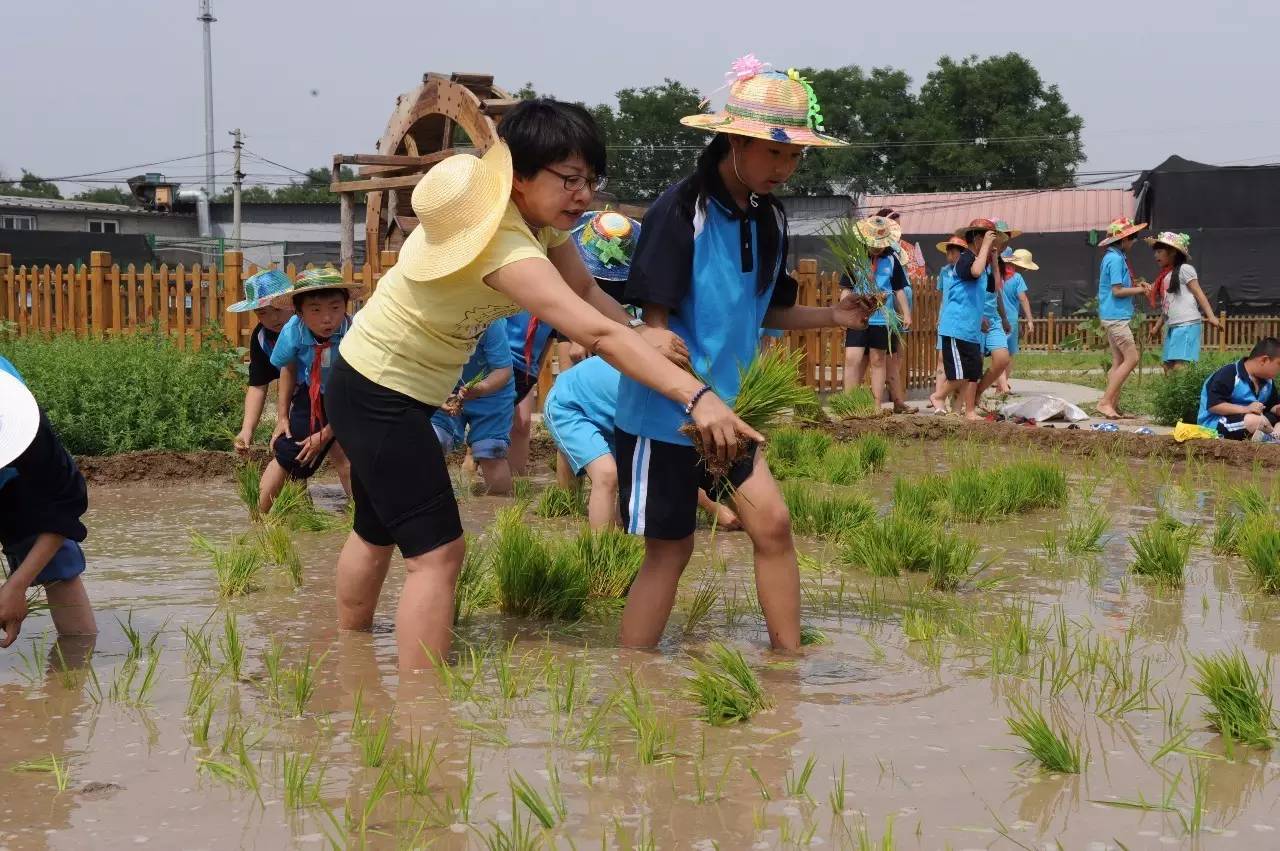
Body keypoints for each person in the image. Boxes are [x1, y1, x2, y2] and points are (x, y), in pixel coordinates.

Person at [326, 97, 758, 673]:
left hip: (382, 382)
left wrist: (638, 330)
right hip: (378, 389)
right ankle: (420, 712)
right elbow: (592, 334)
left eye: (591, 179)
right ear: (520, 178)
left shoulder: (540, 225)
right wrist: (697, 397)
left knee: (378, 526)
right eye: (570, 180)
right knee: (439, 553)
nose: (584, 194)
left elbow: (585, 294)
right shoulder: (502, 245)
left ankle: (347, 658)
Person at [615, 60, 870, 651]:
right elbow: (652, 320)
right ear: (734, 140)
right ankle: (634, 677)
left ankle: (788, 666)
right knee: (670, 551)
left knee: (774, 525)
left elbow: (766, 311)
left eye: (795, 156)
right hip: (668, 415)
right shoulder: (681, 210)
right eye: (774, 153)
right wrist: (659, 341)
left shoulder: (770, 217)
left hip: (734, 411)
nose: (786, 167)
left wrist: (835, 316)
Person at [546, 356, 741, 531]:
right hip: (568, 403)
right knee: (607, 475)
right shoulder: (668, 401)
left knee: (625, 512)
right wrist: (714, 508)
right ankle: (601, 563)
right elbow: (666, 469)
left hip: (607, 409)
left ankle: (575, 507)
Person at [0, 358, 97, 648]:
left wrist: (16, 586)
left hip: (16, 480)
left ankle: (78, 662)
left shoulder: (25, 426)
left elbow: (64, 502)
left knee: (58, 562)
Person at [257, 268, 358, 515]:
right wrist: (282, 417)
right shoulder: (293, 330)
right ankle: (258, 519)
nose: (327, 319)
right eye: (315, 310)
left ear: (345, 306)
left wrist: (325, 435)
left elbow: (359, 389)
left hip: (352, 397)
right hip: (311, 396)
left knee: (349, 457)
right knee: (287, 452)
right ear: (299, 313)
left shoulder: (356, 333)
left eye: (335, 308)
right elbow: (289, 370)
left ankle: (361, 519)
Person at [431, 318, 516, 495]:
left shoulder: (490, 320)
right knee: (430, 442)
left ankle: (501, 512)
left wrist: (482, 388)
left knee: (491, 451)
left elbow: (503, 370)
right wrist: (436, 395)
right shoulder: (427, 318)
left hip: (492, 389)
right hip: (442, 387)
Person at [227, 269, 295, 454]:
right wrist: (247, 430)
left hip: (333, 395)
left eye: (278, 308)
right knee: (289, 449)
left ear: (293, 302)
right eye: (263, 313)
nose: (273, 318)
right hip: (299, 402)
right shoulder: (262, 338)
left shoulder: (309, 327)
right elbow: (258, 385)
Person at [928, 225, 993, 420]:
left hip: (971, 327)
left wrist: (980, 318)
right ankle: (938, 396)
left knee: (973, 372)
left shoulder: (981, 263)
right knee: (959, 373)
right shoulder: (966, 259)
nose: (989, 244)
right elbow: (974, 271)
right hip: (956, 327)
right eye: (986, 239)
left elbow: (979, 292)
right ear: (977, 239)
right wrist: (986, 246)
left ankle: (970, 411)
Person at [851, 214, 912, 411]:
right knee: (855, 359)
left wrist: (906, 313)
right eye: (873, 242)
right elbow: (845, 287)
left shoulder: (892, 259)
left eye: (880, 243)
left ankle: (877, 404)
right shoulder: (854, 257)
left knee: (878, 359)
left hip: (882, 318)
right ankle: (849, 403)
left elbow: (899, 288)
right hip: (858, 316)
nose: (876, 247)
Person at [1095, 217, 1152, 419]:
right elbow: (1117, 291)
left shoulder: (1114, 257)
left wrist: (1138, 285)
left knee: (1119, 360)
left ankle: (1112, 405)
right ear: (1124, 239)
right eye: (1132, 237)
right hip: (1116, 317)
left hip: (1113, 316)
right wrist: (1140, 290)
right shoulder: (1116, 259)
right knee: (1132, 358)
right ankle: (1104, 402)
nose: (1134, 241)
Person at [1146, 232, 1221, 373]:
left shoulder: (1185, 269)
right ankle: (1170, 395)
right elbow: (1167, 306)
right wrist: (1157, 327)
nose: (1156, 255)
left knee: (1181, 367)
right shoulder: (1166, 275)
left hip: (1187, 324)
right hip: (1172, 326)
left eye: (1160, 251)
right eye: (1155, 252)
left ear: (1173, 252)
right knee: (1167, 367)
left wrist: (1210, 316)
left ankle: (1182, 395)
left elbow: (1199, 293)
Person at [504, 310, 558, 476]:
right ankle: (471, 472)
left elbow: (548, 340)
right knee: (492, 422)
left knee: (523, 422)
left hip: (527, 369)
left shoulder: (555, 304)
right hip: (503, 361)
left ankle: (516, 481)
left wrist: (536, 371)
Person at [1197, 337, 1280, 440]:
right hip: (1215, 423)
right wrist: (1246, 409)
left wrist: (1277, 409)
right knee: (1255, 421)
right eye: (1279, 364)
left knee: (1261, 421)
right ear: (1264, 360)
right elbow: (1214, 405)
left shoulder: (1268, 381)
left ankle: (1271, 437)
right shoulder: (1229, 373)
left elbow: (1270, 406)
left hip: (1253, 422)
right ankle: (1273, 438)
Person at [974, 220, 1016, 404]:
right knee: (975, 362)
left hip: (993, 318)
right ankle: (966, 400)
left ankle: (978, 391)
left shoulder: (996, 260)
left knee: (1002, 358)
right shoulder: (973, 259)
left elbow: (997, 290)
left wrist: (1004, 317)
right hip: (975, 317)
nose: (1000, 242)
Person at [995, 248, 1038, 394]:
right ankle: (1003, 385)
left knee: (998, 353)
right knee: (1009, 355)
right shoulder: (1017, 277)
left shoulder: (996, 275)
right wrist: (1030, 320)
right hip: (1011, 320)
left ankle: (1000, 386)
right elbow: (1023, 298)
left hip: (995, 318)